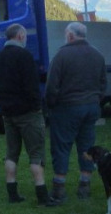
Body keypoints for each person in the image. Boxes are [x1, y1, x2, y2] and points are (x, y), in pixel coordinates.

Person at [0, 23, 57, 207]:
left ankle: (12, 193)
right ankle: (42, 196)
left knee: (11, 154)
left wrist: (3, 105)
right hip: (28, 113)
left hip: (7, 114)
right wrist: (37, 107)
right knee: (36, 153)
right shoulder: (25, 56)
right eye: (25, 36)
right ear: (20, 36)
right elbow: (32, 87)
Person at [45, 21, 107, 203]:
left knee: (61, 147)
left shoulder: (61, 55)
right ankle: (85, 186)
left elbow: (51, 86)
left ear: (70, 35)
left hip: (67, 107)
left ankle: (59, 189)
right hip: (91, 107)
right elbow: (103, 84)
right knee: (87, 146)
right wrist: (96, 100)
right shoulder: (98, 55)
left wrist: (51, 106)